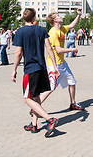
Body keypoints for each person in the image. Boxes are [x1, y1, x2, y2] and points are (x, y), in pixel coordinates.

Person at [11, 8, 60, 138]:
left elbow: (18, 52)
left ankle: (50, 119)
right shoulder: (41, 30)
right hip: (42, 68)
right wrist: (54, 67)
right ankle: (34, 123)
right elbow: (49, 48)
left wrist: (14, 69)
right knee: (36, 97)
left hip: (30, 70)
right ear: (34, 18)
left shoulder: (20, 31)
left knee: (27, 99)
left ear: (24, 18)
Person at [39, 9, 84, 111]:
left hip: (62, 63)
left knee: (72, 82)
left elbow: (72, 25)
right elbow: (58, 50)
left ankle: (73, 103)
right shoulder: (53, 32)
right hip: (54, 65)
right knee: (50, 88)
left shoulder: (61, 29)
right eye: (58, 16)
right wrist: (72, 49)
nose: (61, 17)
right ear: (55, 20)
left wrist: (79, 15)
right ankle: (35, 107)